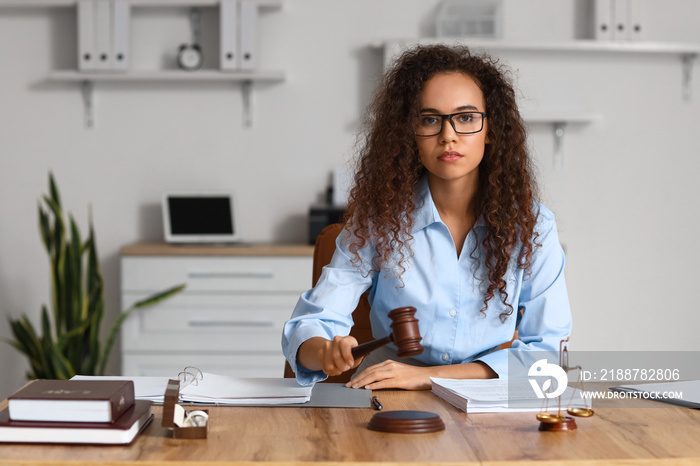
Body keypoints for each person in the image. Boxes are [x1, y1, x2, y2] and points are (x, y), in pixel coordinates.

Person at [282, 44, 572, 390]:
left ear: (490, 129)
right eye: (430, 119)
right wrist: (323, 350)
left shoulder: (533, 226)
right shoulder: (379, 220)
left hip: (485, 400)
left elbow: (548, 351)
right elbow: (313, 322)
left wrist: (427, 377)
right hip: (389, 395)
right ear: (410, 133)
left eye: (466, 118)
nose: (448, 135)